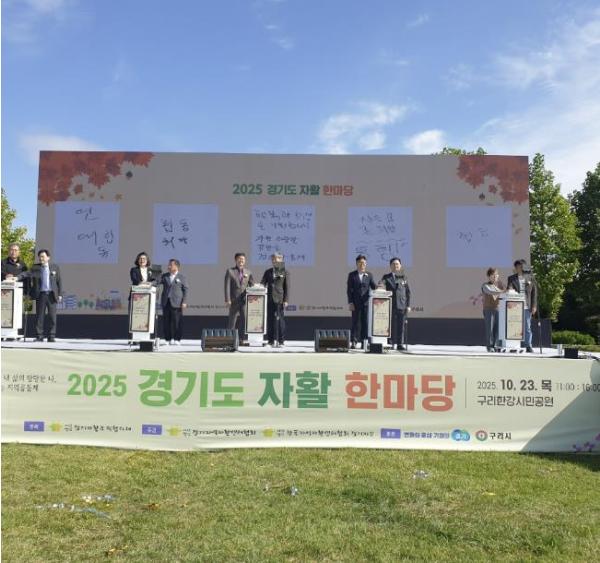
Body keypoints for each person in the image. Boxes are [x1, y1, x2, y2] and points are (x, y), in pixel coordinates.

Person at [29, 249, 62, 342]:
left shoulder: (55, 267)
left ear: (48, 257)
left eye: (43, 256)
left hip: (52, 295)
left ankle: (51, 336)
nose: (41, 258)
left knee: (52, 317)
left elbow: (59, 281)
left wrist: (60, 294)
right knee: (39, 317)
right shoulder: (35, 267)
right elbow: (27, 275)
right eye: (40, 257)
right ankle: (39, 336)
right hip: (41, 295)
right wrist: (18, 277)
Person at [379, 257, 411, 351]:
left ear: (400, 266)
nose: (395, 266)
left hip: (401, 305)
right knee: (390, 326)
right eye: (393, 264)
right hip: (390, 305)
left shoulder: (403, 277)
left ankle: (400, 344)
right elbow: (381, 284)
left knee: (401, 326)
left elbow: (408, 292)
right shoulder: (386, 277)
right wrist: (380, 285)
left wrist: (408, 305)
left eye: (397, 264)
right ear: (390, 266)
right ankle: (390, 343)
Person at [507, 259, 538, 353]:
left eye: (520, 266)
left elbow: (534, 293)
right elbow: (509, 289)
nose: (519, 268)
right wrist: (510, 289)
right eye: (517, 266)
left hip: (527, 306)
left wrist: (534, 306)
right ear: (515, 268)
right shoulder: (511, 278)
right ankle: (515, 346)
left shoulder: (530, 278)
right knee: (515, 326)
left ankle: (528, 345)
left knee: (527, 327)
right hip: (515, 306)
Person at [347, 254, 377, 349]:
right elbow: (349, 290)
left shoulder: (369, 275)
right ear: (356, 263)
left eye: (364, 263)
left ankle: (364, 341)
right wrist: (350, 302)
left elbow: (373, 286)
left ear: (366, 264)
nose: (362, 264)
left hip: (366, 303)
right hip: (355, 303)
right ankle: (354, 341)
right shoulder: (352, 275)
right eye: (360, 262)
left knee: (365, 323)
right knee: (355, 323)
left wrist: (380, 287)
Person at [261, 253, 290, 346]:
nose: (275, 261)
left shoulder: (284, 271)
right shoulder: (268, 272)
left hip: (279, 298)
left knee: (280, 320)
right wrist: (258, 287)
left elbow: (287, 287)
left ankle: (281, 340)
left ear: (281, 260)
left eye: (277, 259)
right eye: (273, 259)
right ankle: (270, 341)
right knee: (270, 320)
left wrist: (286, 300)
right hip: (269, 298)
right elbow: (262, 283)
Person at [224, 252, 254, 343]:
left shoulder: (248, 272)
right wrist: (227, 299)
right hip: (233, 300)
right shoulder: (230, 271)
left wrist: (256, 289)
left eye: (243, 259)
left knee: (244, 320)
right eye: (239, 259)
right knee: (232, 321)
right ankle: (230, 340)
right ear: (236, 260)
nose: (241, 261)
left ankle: (242, 339)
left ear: (245, 261)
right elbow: (226, 286)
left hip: (244, 300)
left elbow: (252, 285)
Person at [159, 259, 188, 345]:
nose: (169, 266)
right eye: (168, 265)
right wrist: (156, 276)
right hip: (166, 302)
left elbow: (185, 290)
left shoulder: (182, 277)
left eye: (171, 265)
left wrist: (184, 301)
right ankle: (167, 339)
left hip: (177, 303)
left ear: (176, 266)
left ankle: (177, 339)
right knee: (166, 321)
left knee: (177, 322)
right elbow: (157, 282)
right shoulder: (165, 276)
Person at [481, 267, 505, 352]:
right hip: (488, 309)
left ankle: (497, 345)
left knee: (498, 329)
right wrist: (502, 292)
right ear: (489, 276)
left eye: (496, 275)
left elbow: (506, 293)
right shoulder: (485, 285)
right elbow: (490, 292)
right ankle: (490, 346)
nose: (495, 277)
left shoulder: (501, 285)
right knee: (490, 329)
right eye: (493, 275)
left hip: (498, 309)